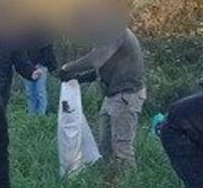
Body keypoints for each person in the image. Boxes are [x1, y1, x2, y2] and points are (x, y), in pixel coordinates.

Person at [57, 25, 147, 168]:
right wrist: (80, 78)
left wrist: (67, 68)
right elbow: (103, 66)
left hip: (126, 95)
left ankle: (129, 187)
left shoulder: (117, 31)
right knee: (105, 147)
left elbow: (96, 60)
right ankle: (108, 182)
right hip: (113, 95)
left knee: (122, 148)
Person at [24, 41, 57, 115]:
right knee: (30, 92)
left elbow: (49, 52)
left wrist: (49, 66)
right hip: (27, 67)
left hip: (41, 66)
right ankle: (31, 116)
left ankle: (41, 116)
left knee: (40, 91)